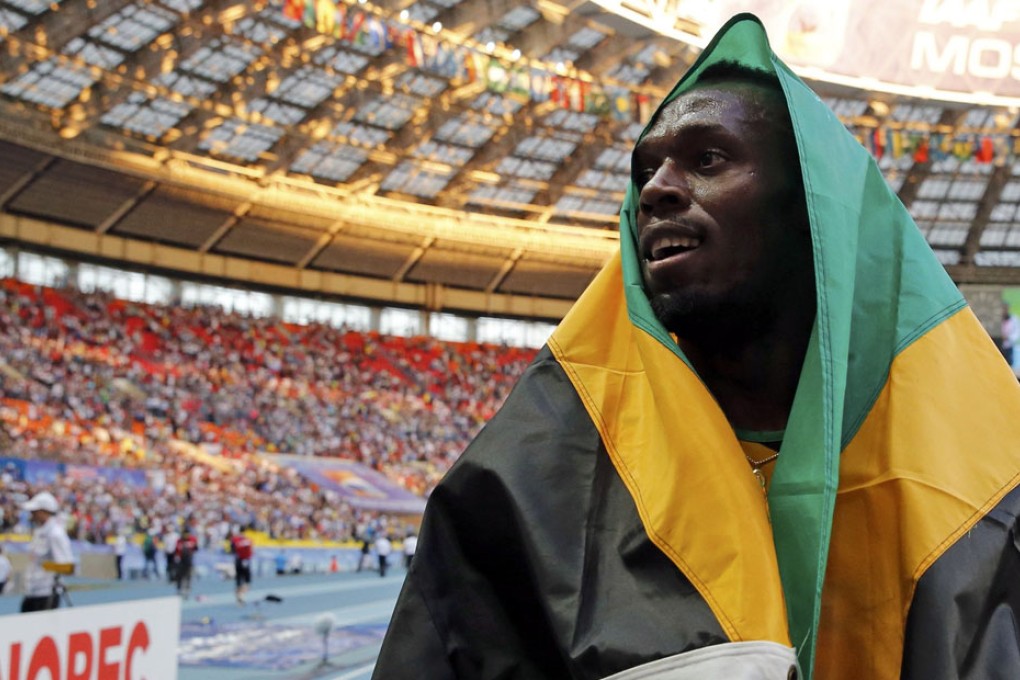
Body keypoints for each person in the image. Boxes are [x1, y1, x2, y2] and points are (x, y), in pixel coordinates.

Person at [373, 14, 1020, 680]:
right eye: (646, 169)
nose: (655, 189)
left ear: (811, 211)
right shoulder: (523, 486)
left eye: (707, 159)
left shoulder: (991, 486)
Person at [20, 491, 74, 612]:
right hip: (32, 591)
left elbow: (68, 568)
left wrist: (44, 565)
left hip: (47, 594)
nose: (31, 514)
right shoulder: (39, 531)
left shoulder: (56, 534)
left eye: (34, 511)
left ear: (44, 512)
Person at [229, 525, 254, 604]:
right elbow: (250, 551)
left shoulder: (235, 539)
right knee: (247, 580)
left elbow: (232, 550)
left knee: (239, 578)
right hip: (245, 560)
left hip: (238, 560)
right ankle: (241, 595)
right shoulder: (248, 540)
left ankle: (239, 595)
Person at [175, 526, 198, 599]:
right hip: (181, 560)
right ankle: (179, 589)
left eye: (187, 533)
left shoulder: (192, 539)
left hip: (189, 560)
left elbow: (196, 548)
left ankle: (187, 589)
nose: (186, 535)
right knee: (180, 575)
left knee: (188, 575)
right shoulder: (180, 540)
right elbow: (177, 550)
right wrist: (177, 557)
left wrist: (191, 551)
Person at [1002, 302, 1019, 368]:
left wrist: (1007, 337)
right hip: (997, 346)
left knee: (1008, 366)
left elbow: (1016, 333)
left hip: (1008, 347)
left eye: (1005, 309)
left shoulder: (1014, 319)